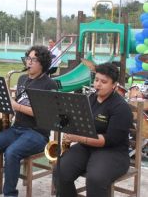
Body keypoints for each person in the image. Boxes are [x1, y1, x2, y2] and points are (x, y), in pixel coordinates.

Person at [0, 45, 58, 197]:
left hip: (37, 134)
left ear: (42, 63)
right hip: (17, 128)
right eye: (28, 58)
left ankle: (10, 194)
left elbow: (43, 114)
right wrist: (6, 106)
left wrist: (16, 106)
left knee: (12, 152)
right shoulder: (22, 79)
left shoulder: (49, 84)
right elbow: (16, 105)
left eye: (33, 59)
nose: (28, 62)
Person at [54, 63, 133, 197]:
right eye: (96, 80)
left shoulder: (121, 108)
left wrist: (77, 138)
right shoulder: (90, 99)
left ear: (114, 85)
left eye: (104, 82)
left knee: (95, 179)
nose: (98, 85)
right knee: (60, 171)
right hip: (87, 147)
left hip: (113, 152)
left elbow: (108, 140)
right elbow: (80, 122)